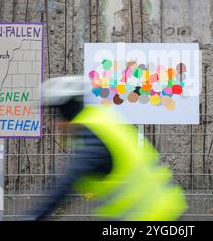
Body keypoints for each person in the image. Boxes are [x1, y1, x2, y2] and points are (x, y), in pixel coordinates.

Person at [28, 76, 187, 221]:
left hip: (152, 215)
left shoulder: (93, 137)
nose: (53, 124)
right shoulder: (100, 120)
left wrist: (36, 215)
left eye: (53, 117)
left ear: (64, 114)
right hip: (162, 208)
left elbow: (67, 182)